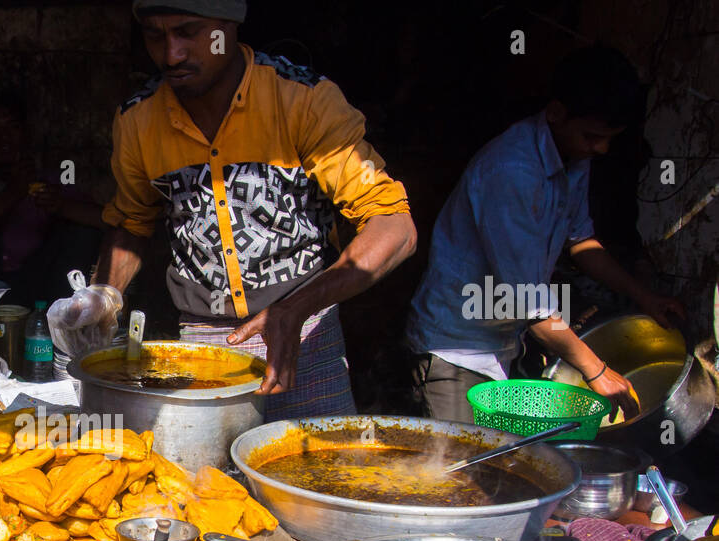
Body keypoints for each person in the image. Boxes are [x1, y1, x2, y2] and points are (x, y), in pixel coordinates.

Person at [82, 0, 416, 418]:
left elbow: (394, 225)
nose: (171, 54)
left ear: (229, 26)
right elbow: (132, 223)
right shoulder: (138, 121)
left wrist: (297, 307)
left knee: (318, 476)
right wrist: (103, 294)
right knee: (204, 481)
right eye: (155, 36)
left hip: (306, 334)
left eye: (188, 32)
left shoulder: (303, 100)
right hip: (202, 345)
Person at [406, 46, 686, 424]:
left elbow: (582, 243)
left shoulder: (574, 157)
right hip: (455, 351)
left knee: (501, 470)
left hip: (503, 343)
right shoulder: (511, 172)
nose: (601, 148)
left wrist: (644, 297)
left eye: (608, 138)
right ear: (555, 113)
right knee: (461, 474)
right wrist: (597, 371)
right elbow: (527, 302)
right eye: (591, 136)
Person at [0, 89, 104, 306]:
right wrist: (13, 193)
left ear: (25, 133)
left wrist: (60, 206)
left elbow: (105, 219)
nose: (4, 138)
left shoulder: (46, 179)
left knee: (83, 231)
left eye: (12, 127)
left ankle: (60, 328)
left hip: (36, 288)